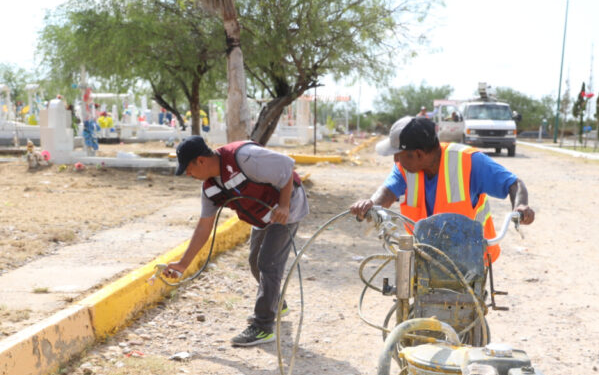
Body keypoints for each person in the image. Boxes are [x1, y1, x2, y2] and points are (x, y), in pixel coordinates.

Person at [165, 136, 309, 347]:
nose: (188, 174)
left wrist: (284, 205)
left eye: (188, 168)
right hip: (260, 215)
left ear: (201, 161)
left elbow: (286, 166)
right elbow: (204, 227)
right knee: (254, 262)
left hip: (287, 208)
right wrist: (182, 264)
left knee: (268, 263)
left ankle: (263, 326)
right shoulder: (210, 189)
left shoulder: (245, 157)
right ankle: (276, 303)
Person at [349, 116, 534, 264]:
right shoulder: (405, 169)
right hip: (425, 254)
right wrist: (371, 204)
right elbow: (387, 192)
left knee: (468, 305)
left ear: (419, 154)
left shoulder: (469, 162)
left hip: (471, 255)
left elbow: (514, 184)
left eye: (398, 156)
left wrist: (521, 206)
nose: (395, 162)